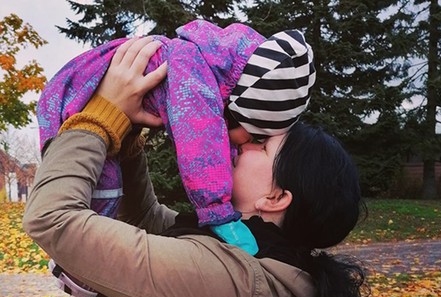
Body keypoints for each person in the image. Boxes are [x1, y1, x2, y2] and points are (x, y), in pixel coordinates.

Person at [23, 38, 373, 297]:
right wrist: (128, 131)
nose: (241, 141)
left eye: (261, 145)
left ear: (276, 197)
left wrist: (97, 118)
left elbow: (52, 218)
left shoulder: (230, 284)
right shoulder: (239, 252)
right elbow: (147, 220)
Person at [37, 19, 316, 258]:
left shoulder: (204, 69)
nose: (245, 145)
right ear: (239, 110)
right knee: (99, 201)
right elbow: (202, 143)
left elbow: (144, 215)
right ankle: (79, 272)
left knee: (104, 192)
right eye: (257, 136)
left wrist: (125, 128)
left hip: (87, 99)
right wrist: (218, 212)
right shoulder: (192, 72)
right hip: (79, 102)